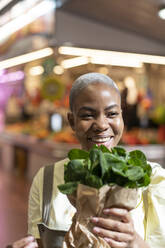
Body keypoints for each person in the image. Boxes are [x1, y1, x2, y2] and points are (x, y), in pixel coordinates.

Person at [9, 72, 165, 248]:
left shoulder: (153, 179)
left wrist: (134, 243)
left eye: (112, 113)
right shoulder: (47, 179)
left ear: (122, 117)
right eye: (87, 115)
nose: (101, 125)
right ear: (72, 121)